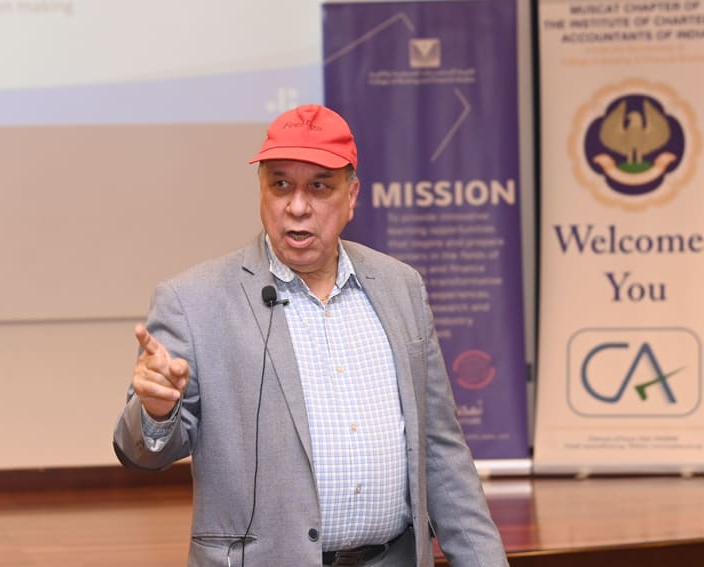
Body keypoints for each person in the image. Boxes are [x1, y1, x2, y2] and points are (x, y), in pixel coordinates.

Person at [113, 104, 509, 567]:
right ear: (261, 191)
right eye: (281, 185)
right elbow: (142, 453)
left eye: (319, 187)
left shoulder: (401, 287)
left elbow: (441, 452)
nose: (297, 207)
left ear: (352, 195)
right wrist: (157, 411)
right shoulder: (193, 301)